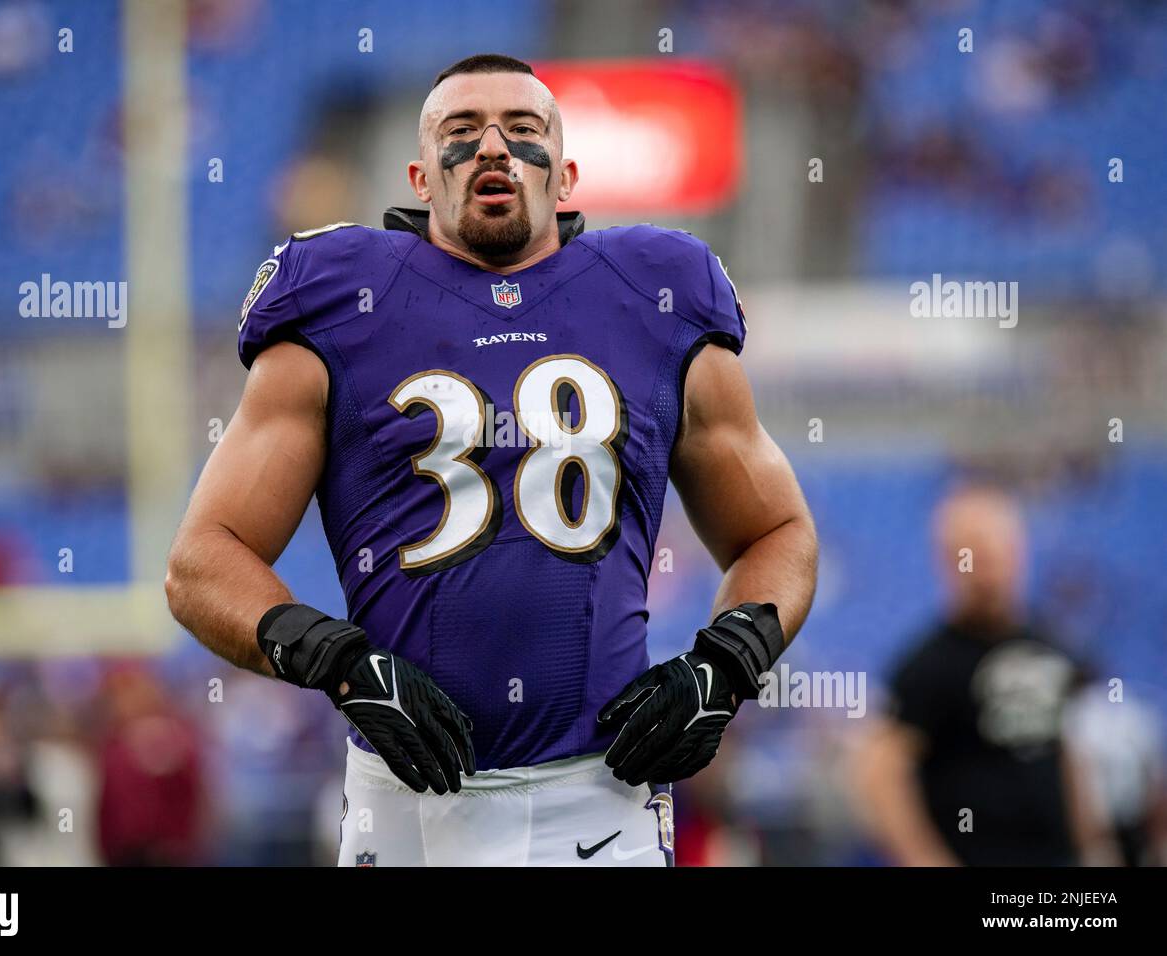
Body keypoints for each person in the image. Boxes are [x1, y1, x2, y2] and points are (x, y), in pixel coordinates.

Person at [166, 54, 817, 867]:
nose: (493, 149)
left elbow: (778, 531)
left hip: (602, 790)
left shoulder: (657, 291)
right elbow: (201, 563)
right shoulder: (340, 299)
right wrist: (339, 662)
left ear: (567, 172)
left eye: (523, 129)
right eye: (462, 132)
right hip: (412, 794)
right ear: (420, 175)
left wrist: (727, 666)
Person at [855, 485, 1113, 866]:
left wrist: (1095, 846)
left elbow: (1065, 752)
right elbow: (881, 774)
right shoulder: (930, 664)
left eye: (994, 550)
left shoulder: (1049, 647)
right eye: (970, 553)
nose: (985, 566)